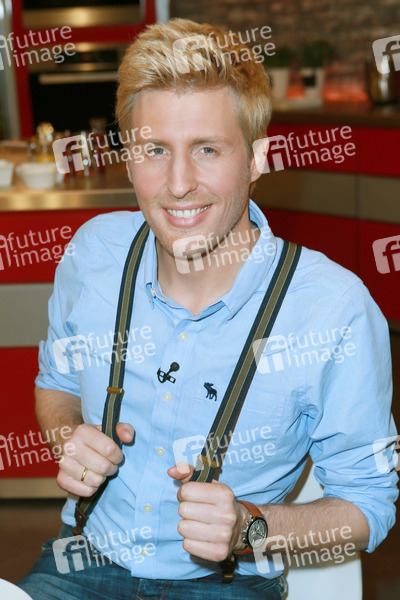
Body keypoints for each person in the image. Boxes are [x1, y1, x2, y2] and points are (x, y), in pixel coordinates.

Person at [19, 18, 398, 600]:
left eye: (207, 149)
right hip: (84, 559)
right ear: (129, 160)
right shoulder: (92, 254)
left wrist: (251, 528)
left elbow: (368, 505)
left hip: (228, 583)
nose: (178, 185)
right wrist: (70, 435)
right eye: (155, 150)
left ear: (257, 158)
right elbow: (57, 384)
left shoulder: (333, 310)